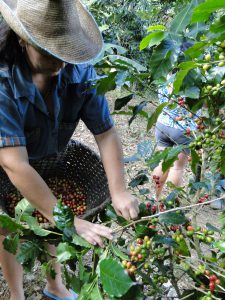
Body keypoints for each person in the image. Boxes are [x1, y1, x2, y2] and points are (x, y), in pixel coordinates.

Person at [0, 1, 139, 300]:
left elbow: (105, 132)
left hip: (44, 161)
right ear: (24, 39)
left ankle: (55, 285)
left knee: (51, 223)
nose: (60, 63)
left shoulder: (80, 72)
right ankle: (16, 293)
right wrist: (69, 219)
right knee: (6, 231)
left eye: (65, 53)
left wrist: (119, 191)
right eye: (50, 53)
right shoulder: (3, 82)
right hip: (7, 162)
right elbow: (15, 165)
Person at [152, 42, 200, 200]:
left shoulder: (166, 76)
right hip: (183, 130)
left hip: (162, 125)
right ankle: (169, 205)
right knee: (177, 168)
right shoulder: (193, 81)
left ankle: (156, 199)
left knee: (162, 162)